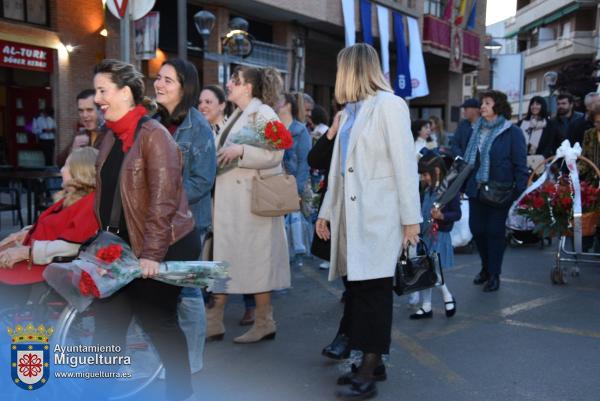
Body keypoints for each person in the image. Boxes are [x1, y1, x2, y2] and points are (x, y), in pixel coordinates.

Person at [315, 43, 421, 399]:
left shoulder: (390, 105)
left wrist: (411, 220)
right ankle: (372, 363)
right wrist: (326, 211)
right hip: (350, 218)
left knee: (374, 294)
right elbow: (338, 171)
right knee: (358, 293)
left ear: (352, 70)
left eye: (340, 68)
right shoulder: (349, 112)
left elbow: (406, 165)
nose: (336, 76)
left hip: (379, 217)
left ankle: (368, 369)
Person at [91, 59, 198, 401]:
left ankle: (182, 393)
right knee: (107, 326)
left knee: (157, 321)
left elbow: (164, 201)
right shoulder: (109, 136)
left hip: (165, 243)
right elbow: (107, 194)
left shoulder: (155, 135)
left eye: (102, 90)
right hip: (120, 247)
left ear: (124, 93)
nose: (97, 99)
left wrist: (152, 254)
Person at [207, 65, 290, 344]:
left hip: (250, 205)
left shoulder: (262, 114)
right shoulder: (240, 114)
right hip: (233, 204)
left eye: (235, 80)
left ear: (248, 88)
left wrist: (242, 150)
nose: (229, 84)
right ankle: (214, 320)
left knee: (254, 264)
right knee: (225, 261)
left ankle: (264, 321)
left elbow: (276, 152)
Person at [154, 58, 217, 373]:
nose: (159, 84)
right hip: (152, 222)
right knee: (152, 285)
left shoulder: (198, 126)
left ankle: (190, 364)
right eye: (158, 77)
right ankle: (160, 359)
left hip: (188, 222)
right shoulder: (152, 120)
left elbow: (203, 180)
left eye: (168, 80)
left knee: (188, 288)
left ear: (184, 87)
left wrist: (165, 199)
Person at [0, 147, 99, 306]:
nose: (61, 170)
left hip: (46, 269)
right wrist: (24, 234)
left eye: (66, 166)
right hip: (36, 261)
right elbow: (52, 225)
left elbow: (72, 247)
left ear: (79, 172)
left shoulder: (89, 204)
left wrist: (27, 252)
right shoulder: (73, 198)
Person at [463, 90, 528, 292]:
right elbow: (468, 163)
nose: (482, 106)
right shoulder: (475, 129)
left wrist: (518, 191)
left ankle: (494, 274)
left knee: (494, 232)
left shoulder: (512, 132)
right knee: (477, 230)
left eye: (487, 103)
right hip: (476, 189)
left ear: (497, 106)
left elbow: (520, 164)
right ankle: (485, 267)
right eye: (482, 103)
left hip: (501, 190)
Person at [410, 154, 460, 319]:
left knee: (432, 269)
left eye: (425, 174)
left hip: (439, 235)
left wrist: (441, 217)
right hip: (425, 236)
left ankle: (447, 296)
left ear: (436, 171)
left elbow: (456, 213)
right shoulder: (427, 189)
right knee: (426, 270)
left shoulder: (449, 189)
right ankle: (426, 306)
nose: (423, 178)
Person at [57, 89, 106, 167]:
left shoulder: (111, 135)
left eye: (89, 110)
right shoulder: (81, 135)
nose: (84, 115)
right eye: (81, 111)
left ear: (101, 110)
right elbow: (60, 163)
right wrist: (72, 150)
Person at [278, 92, 311, 196]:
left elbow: (304, 162)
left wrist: (297, 190)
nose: (276, 104)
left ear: (288, 105)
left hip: (291, 187)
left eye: (279, 101)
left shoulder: (301, 131)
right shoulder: (273, 128)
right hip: (274, 186)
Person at [579, 102, 600, 183]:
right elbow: (584, 158)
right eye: (597, 122)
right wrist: (576, 170)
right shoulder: (589, 134)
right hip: (592, 180)